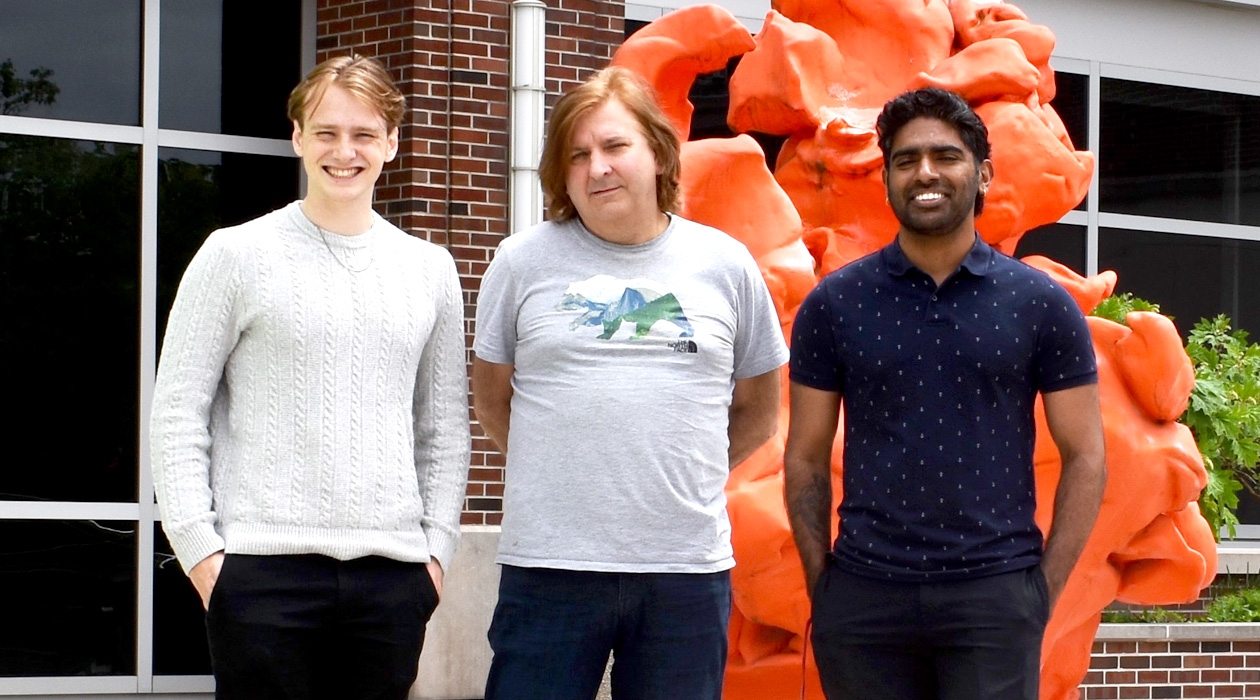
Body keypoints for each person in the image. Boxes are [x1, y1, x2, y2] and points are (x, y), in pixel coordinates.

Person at [150, 55, 470, 700]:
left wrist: (435, 553)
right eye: (325, 132)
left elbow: (442, 426)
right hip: (260, 572)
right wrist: (201, 552)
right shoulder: (234, 254)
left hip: (393, 577)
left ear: (392, 142)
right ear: (297, 138)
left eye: (363, 134)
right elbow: (176, 410)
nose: (343, 151)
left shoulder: (429, 270)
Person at [471, 66, 789, 700]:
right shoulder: (520, 262)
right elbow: (492, 398)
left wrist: (683, 470)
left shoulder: (726, 264)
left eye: (615, 146)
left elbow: (759, 407)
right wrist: (563, 468)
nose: (598, 168)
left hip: (684, 574)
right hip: (549, 570)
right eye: (578, 154)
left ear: (657, 151)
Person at [783, 87, 1106, 700]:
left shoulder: (1040, 304)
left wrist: (1042, 591)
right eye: (905, 160)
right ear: (887, 181)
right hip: (863, 600)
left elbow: (1087, 453)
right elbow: (803, 456)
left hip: (994, 599)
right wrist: (823, 585)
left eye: (945, 156)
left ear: (982, 173)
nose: (924, 172)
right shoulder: (836, 303)